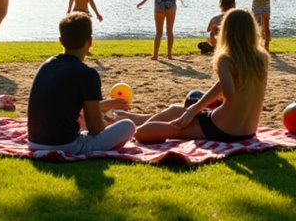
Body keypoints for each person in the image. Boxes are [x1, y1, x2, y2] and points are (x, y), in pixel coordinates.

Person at [115, 9, 269, 144]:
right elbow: (233, 84)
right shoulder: (261, 58)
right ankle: (132, 118)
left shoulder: (225, 59)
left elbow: (228, 91)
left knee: (146, 133)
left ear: (226, 31)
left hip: (222, 129)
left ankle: (128, 125)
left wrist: (195, 110)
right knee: (176, 110)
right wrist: (194, 109)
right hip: (248, 131)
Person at [26, 12, 135, 154]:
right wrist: (108, 123)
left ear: (61, 41)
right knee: (128, 126)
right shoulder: (88, 74)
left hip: (34, 142)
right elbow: (95, 128)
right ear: (90, 42)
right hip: (66, 145)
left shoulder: (46, 65)